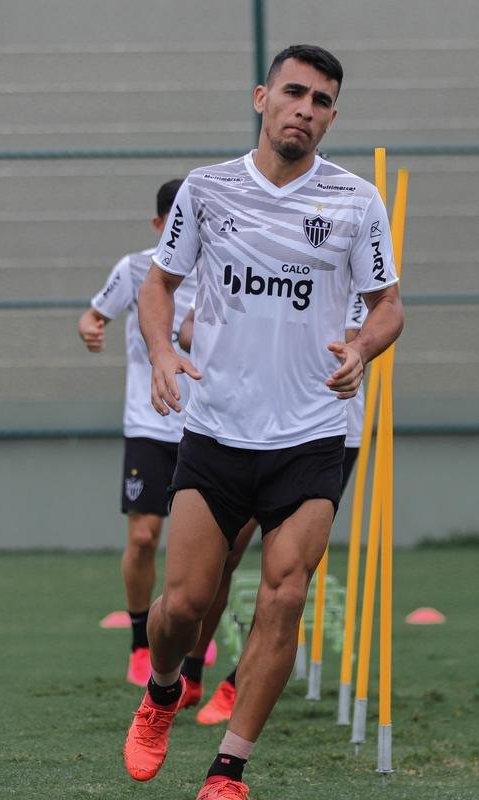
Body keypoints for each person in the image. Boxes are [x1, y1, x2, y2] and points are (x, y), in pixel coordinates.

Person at [124, 44, 404, 800]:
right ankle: (161, 693)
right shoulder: (208, 191)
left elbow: (389, 306)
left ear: (332, 117)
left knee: (285, 594)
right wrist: (159, 353)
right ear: (262, 98)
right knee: (182, 605)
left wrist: (364, 347)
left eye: (321, 101)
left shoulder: (356, 201)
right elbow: (158, 288)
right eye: (294, 94)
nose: (305, 111)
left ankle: (229, 769)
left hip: (314, 429)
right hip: (216, 427)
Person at [193, 287, 368, 726]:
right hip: (253, 425)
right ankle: (190, 671)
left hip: (322, 435)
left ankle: (238, 684)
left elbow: (352, 336)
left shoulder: (354, 259)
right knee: (225, 553)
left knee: (283, 577)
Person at [77, 179, 197, 687]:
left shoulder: (221, 273)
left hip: (206, 429)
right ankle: (139, 639)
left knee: (202, 548)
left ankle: (190, 641)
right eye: (175, 223)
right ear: (158, 226)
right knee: (146, 535)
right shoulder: (134, 269)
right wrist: (90, 327)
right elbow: (93, 314)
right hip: (149, 424)